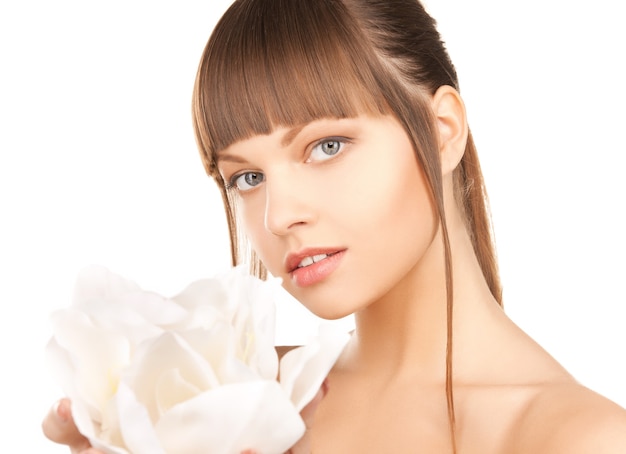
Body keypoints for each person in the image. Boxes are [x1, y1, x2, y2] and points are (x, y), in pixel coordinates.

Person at [43, 0, 626, 452]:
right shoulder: (235, 402)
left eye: (326, 145)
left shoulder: (576, 438)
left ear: (443, 129)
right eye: (246, 178)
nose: (277, 216)